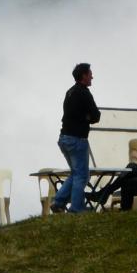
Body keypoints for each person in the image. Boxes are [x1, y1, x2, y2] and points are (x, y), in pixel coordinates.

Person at [50, 62, 100, 214]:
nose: (92, 76)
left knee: (76, 173)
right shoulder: (84, 92)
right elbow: (96, 116)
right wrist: (88, 117)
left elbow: (72, 114)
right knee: (82, 175)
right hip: (77, 139)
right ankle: (77, 208)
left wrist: (86, 116)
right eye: (90, 73)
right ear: (84, 75)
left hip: (64, 138)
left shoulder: (70, 92)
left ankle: (58, 202)